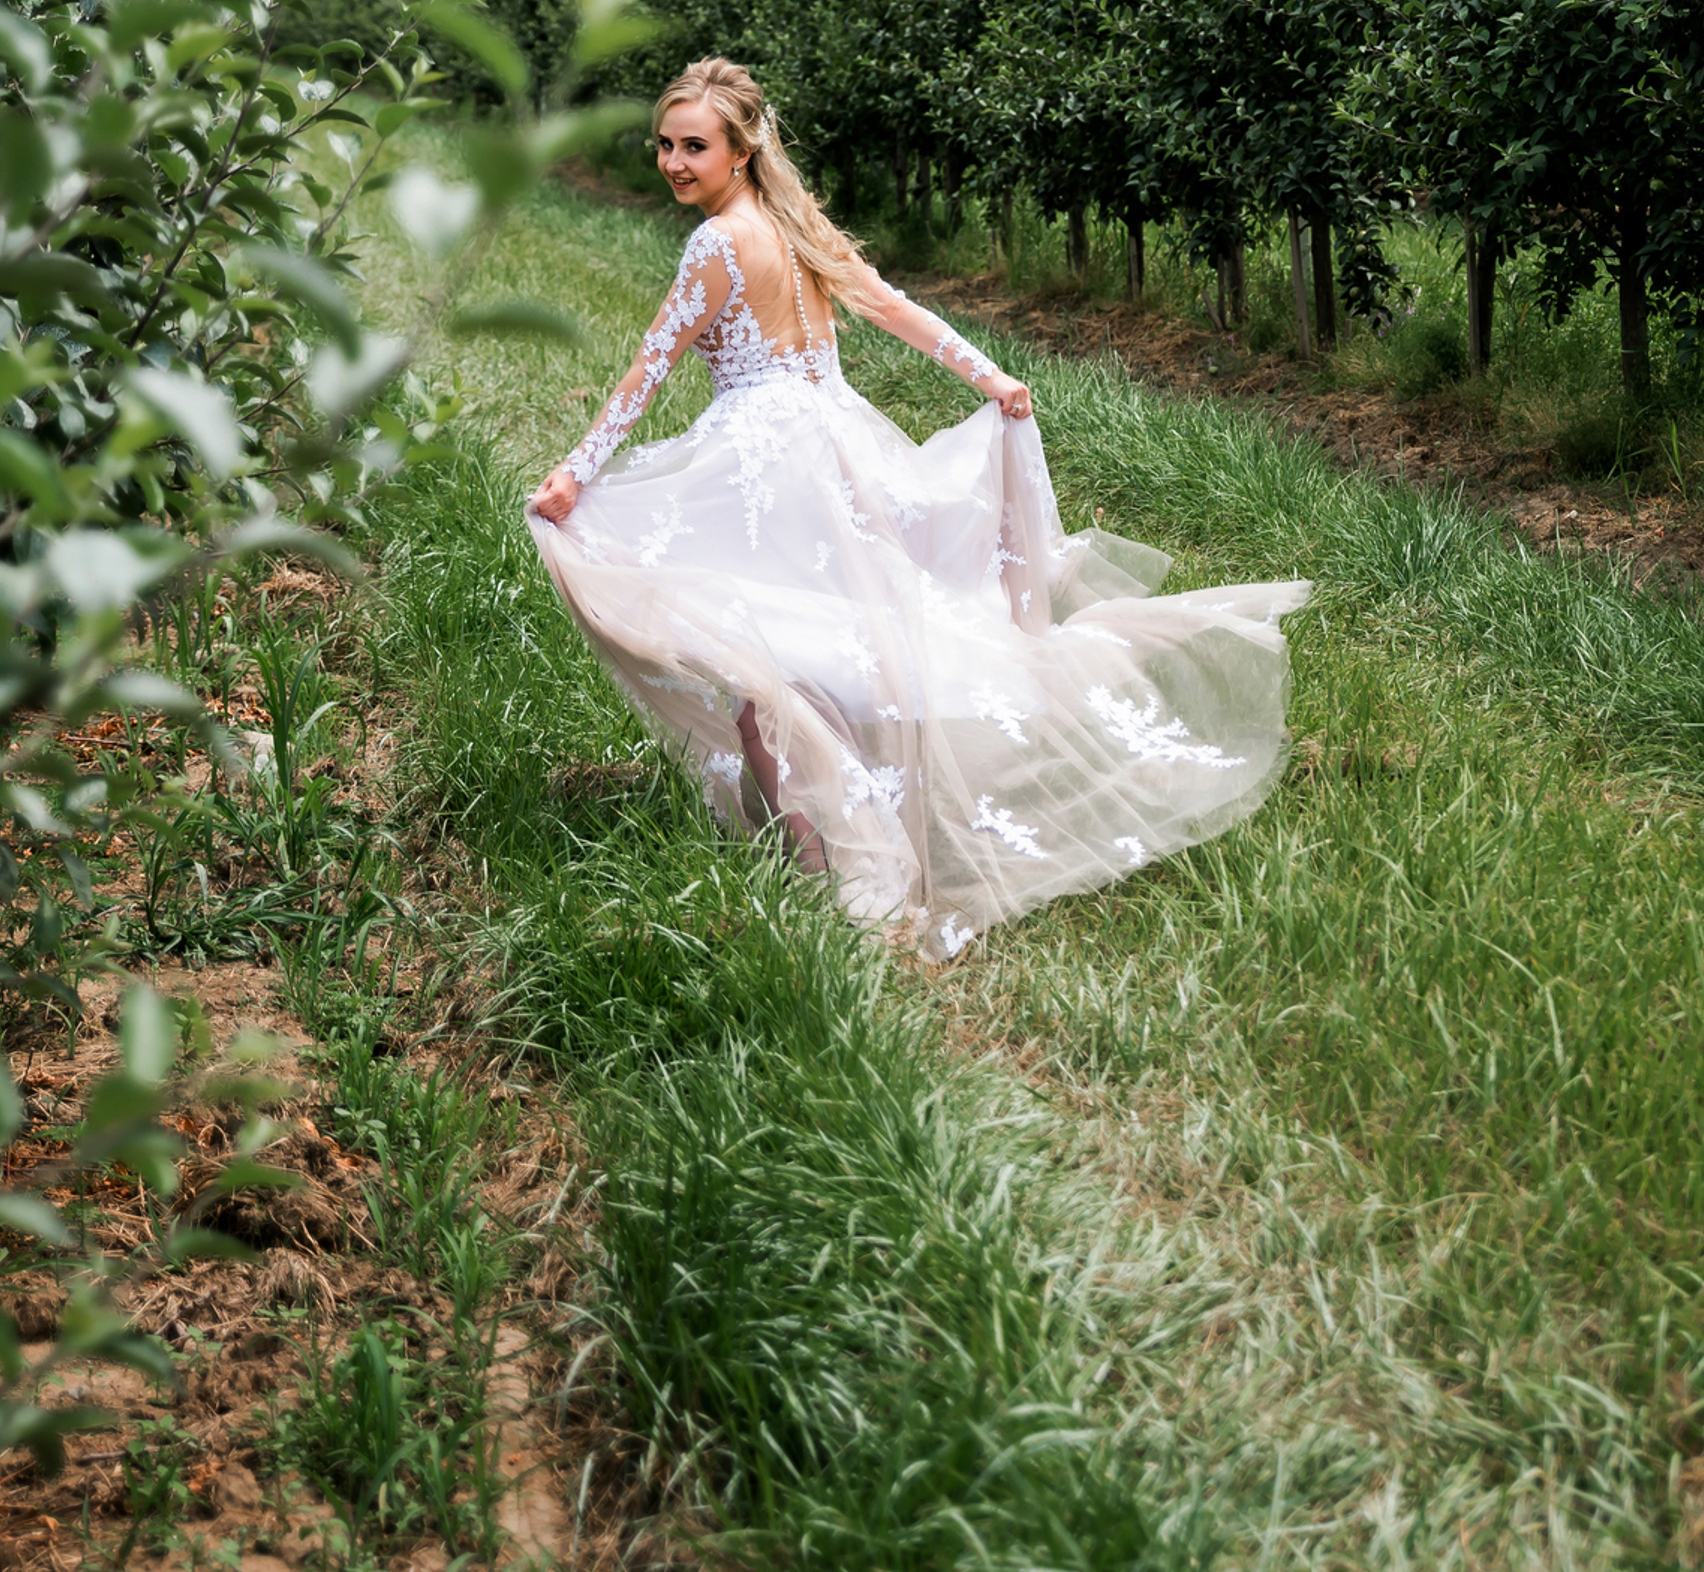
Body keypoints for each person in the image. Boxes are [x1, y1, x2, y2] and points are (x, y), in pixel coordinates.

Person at [527, 57, 1308, 960]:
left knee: (757, 656)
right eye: (663, 144)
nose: (672, 162)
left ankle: (826, 869)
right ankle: (831, 843)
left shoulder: (716, 245)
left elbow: (649, 364)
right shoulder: (793, 225)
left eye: (693, 146)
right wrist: (990, 375)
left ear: (742, 151)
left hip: (766, 467)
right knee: (818, 650)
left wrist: (576, 474)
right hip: (836, 446)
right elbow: (896, 309)